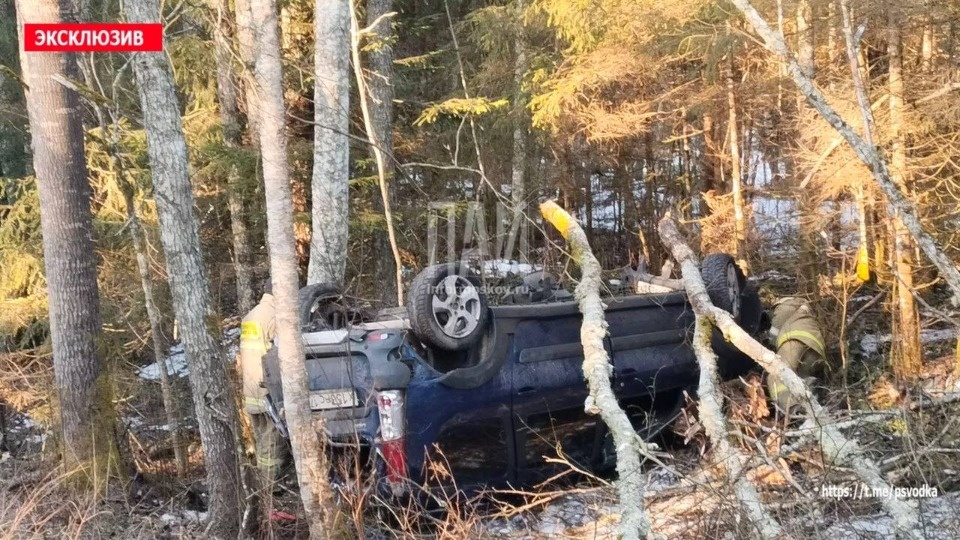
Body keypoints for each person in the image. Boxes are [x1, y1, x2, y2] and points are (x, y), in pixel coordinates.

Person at [238, 278, 288, 484]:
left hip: (251, 390)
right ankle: (269, 486)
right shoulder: (276, 317)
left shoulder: (251, 316)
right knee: (272, 443)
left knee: (261, 440)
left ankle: (261, 483)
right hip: (268, 392)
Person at [766, 297, 826, 413]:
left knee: (776, 375)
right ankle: (810, 389)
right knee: (797, 378)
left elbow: (775, 330)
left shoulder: (786, 304)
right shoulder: (804, 311)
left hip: (794, 340)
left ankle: (792, 410)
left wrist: (770, 343)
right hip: (815, 349)